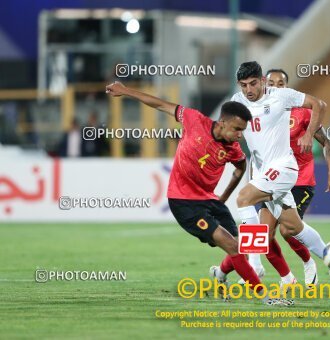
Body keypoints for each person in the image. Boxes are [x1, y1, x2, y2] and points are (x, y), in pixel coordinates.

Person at [105, 81, 292, 306]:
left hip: (209, 200)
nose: (240, 135)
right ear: (222, 123)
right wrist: (125, 91)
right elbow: (160, 105)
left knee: (245, 245)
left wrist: (223, 197)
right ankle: (266, 297)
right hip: (183, 201)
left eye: (243, 130)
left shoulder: (233, 149)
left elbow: (241, 168)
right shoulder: (194, 120)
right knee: (233, 246)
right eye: (237, 129)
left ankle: (220, 275)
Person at [211, 61, 330, 291]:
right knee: (293, 227)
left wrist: (307, 134)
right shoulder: (237, 102)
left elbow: (319, 104)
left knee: (243, 199)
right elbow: (222, 129)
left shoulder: (281, 96)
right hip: (263, 172)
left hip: (284, 168)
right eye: (244, 85)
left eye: (253, 84)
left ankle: (254, 265)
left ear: (262, 81)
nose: (249, 90)